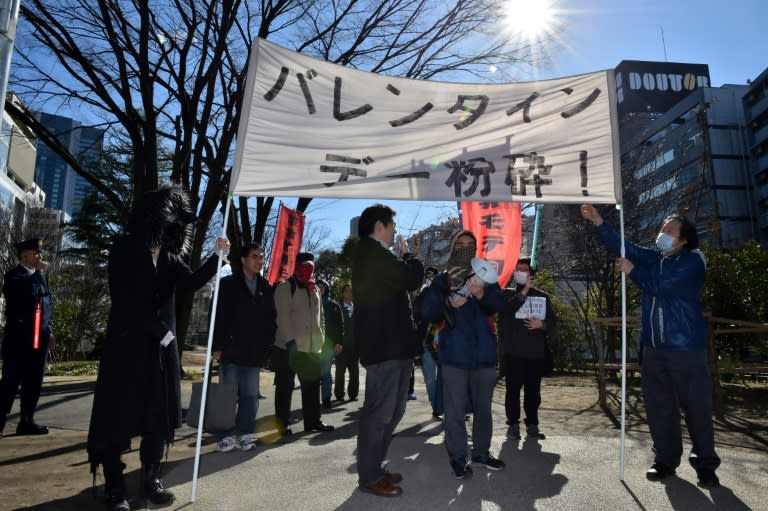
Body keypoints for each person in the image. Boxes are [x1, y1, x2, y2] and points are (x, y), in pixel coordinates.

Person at [87, 186, 230, 511]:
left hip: (159, 358)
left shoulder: (169, 257)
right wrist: (161, 333)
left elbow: (190, 283)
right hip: (126, 351)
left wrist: (218, 256)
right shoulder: (124, 248)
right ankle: (115, 487)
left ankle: (150, 480)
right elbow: (124, 300)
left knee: (157, 419)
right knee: (117, 420)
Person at [581, 204, 721, 488]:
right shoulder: (655, 258)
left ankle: (705, 464)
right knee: (659, 407)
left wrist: (632, 271)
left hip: (686, 349)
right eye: (662, 229)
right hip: (654, 349)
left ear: (683, 239)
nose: (663, 234)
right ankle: (665, 460)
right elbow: (626, 247)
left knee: (697, 408)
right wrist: (599, 222)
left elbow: (661, 286)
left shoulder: (693, 261)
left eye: (670, 231)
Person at [420, 230, 506, 479]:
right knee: (454, 411)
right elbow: (427, 311)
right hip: (455, 355)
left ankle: (481, 452)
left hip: (484, 355)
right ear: (453, 247)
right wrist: (447, 303)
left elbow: (499, 305)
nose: (465, 248)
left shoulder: (485, 276)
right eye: (460, 244)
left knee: (483, 409)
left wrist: (480, 294)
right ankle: (458, 457)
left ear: (476, 249)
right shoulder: (442, 280)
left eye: (470, 245)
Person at [353, 204, 423, 497]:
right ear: (378, 227)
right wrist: (409, 255)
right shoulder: (373, 253)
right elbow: (412, 278)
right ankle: (369, 475)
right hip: (384, 349)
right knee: (378, 414)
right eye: (392, 225)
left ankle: (375, 468)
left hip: (395, 347)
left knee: (392, 411)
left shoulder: (377, 254)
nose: (395, 231)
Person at [212, 242, 276, 452]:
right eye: (254, 256)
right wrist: (217, 346)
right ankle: (225, 436)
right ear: (243, 260)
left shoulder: (265, 287)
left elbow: (270, 320)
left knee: (250, 397)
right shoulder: (227, 284)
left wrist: (267, 347)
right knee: (227, 395)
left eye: (261, 257)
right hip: (230, 350)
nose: (259, 261)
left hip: (254, 353)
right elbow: (218, 317)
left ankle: (245, 434)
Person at [273, 252, 334, 435]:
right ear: (297, 265)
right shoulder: (285, 287)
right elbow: (282, 317)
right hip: (288, 346)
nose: (308, 269)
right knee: (285, 387)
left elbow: (321, 317)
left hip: (311, 348)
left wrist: (321, 338)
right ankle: (282, 424)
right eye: (303, 265)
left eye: (311, 266)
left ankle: (313, 422)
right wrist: (291, 340)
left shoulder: (314, 288)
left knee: (312, 386)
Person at [0, 237, 55, 438]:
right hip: (19, 339)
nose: (40, 256)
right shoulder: (13, 277)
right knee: (10, 382)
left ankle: (27, 420)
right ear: (25, 255)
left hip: (38, 338)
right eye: (36, 252)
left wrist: (48, 330)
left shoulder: (39, 276)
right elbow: (28, 296)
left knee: (34, 381)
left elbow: (44, 305)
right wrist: (40, 274)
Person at [498, 258, 556, 440]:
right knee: (513, 390)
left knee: (533, 391)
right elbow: (508, 309)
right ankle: (513, 424)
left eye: (525, 270)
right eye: (518, 270)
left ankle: (532, 424)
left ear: (532, 275)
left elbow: (553, 323)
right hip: (514, 352)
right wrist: (523, 291)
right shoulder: (507, 294)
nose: (520, 273)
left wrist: (542, 324)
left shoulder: (543, 297)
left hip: (535, 353)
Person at [414, 266, 443, 420]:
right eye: (428, 276)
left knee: (447, 377)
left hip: (445, 342)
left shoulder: (446, 294)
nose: (430, 278)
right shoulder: (422, 296)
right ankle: (437, 407)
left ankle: (451, 406)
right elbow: (416, 317)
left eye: (433, 276)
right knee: (431, 378)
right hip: (427, 342)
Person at [317, 279, 344, 408]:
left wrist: (339, 342)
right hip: (313, 345)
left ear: (327, 288)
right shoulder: (310, 304)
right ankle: (312, 400)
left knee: (325, 372)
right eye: (318, 286)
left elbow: (340, 326)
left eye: (322, 286)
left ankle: (326, 398)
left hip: (328, 345)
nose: (319, 288)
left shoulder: (334, 306)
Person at [334, 283, 359, 402]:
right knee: (340, 372)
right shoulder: (338, 308)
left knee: (354, 372)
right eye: (347, 291)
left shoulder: (358, 308)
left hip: (354, 347)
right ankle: (339, 394)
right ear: (343, 294)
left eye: (352, 291)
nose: (350, 293)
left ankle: (353, 394)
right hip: (341, 346)